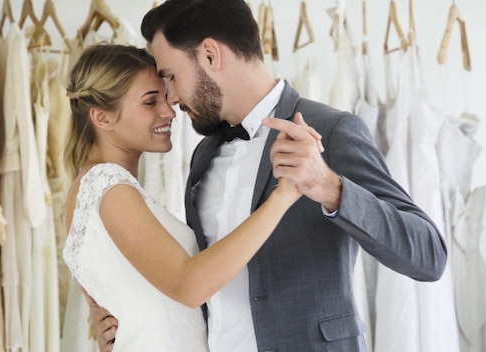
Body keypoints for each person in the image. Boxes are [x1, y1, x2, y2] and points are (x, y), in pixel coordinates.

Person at [89, 0, 448, 351]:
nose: (173, 98)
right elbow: (203, 280)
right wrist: (128, 322)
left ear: (211, 55)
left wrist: (330, 188)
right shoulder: (203, 155)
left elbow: (429, 255)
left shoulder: (332, 130)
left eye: (170, 75)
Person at [62, 44, 303, 352]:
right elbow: (189, 287)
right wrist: (284, 195)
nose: (168, 110)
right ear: (102, 118)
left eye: (165, 95)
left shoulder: (97, 185)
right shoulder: (107, 185)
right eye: (150, 101)